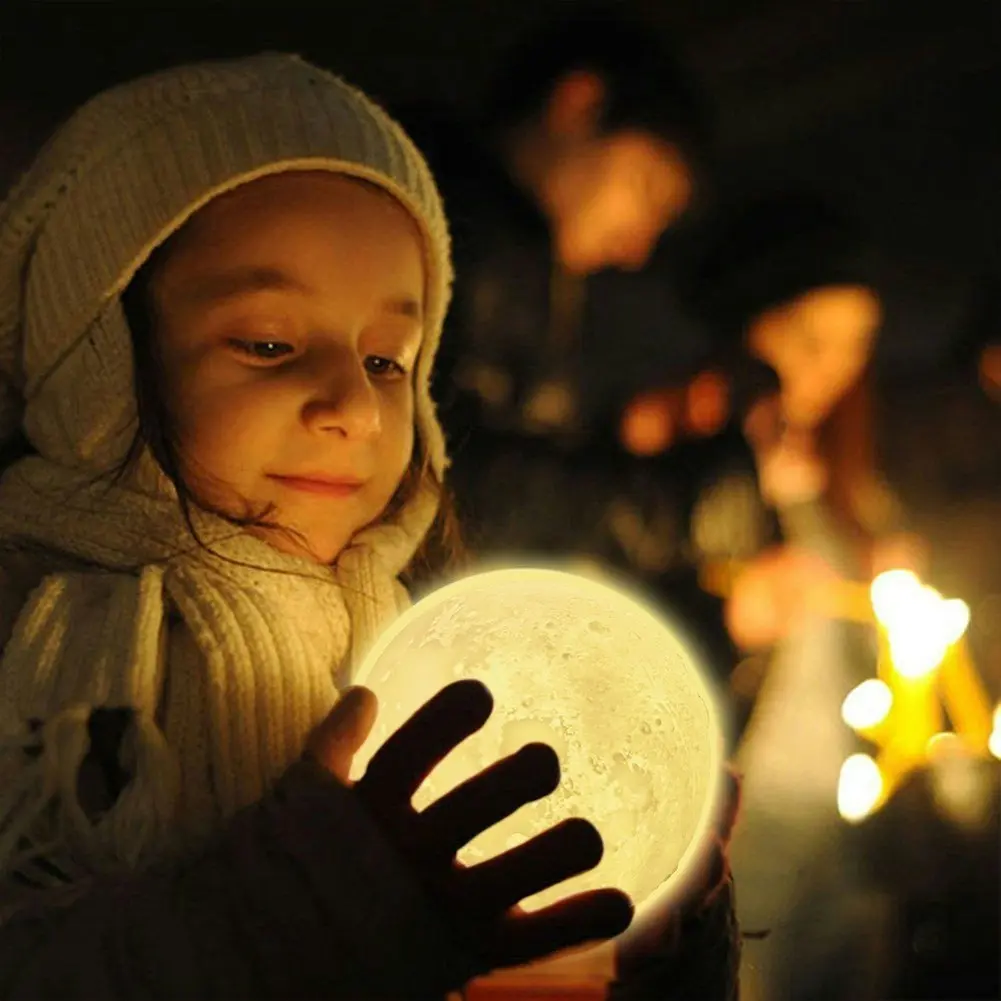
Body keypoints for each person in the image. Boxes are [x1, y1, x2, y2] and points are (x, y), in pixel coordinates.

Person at [0, 53, 736, 998]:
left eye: (389, 358)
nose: (352, 401)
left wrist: (653, 946)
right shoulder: (32, 644)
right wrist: (308, 904)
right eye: (268, 343)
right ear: (96, 356)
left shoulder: (428, 653)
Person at [398, 5, 710, 576]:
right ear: (578, 104)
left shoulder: (534, 265)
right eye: (646, 187)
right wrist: (661, 511)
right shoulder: (437, 225)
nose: (637, 247)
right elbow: (444, 472)